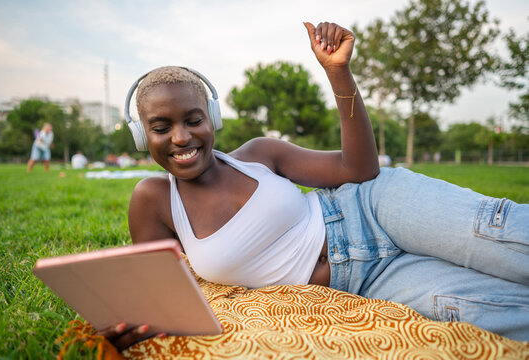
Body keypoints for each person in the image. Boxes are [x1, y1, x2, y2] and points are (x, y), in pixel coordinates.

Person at [100, 22, 529, 350]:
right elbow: (155, 297)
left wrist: (339, 73)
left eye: (193, 120)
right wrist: (135, 327)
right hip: (367, 282)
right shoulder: (154, 200)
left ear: (212, 117)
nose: (181, 137)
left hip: (375, 208)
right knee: (493, 309)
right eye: (161, 127)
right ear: (142, 136)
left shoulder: (259, 154)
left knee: (501, 237)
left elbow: (359, 169)